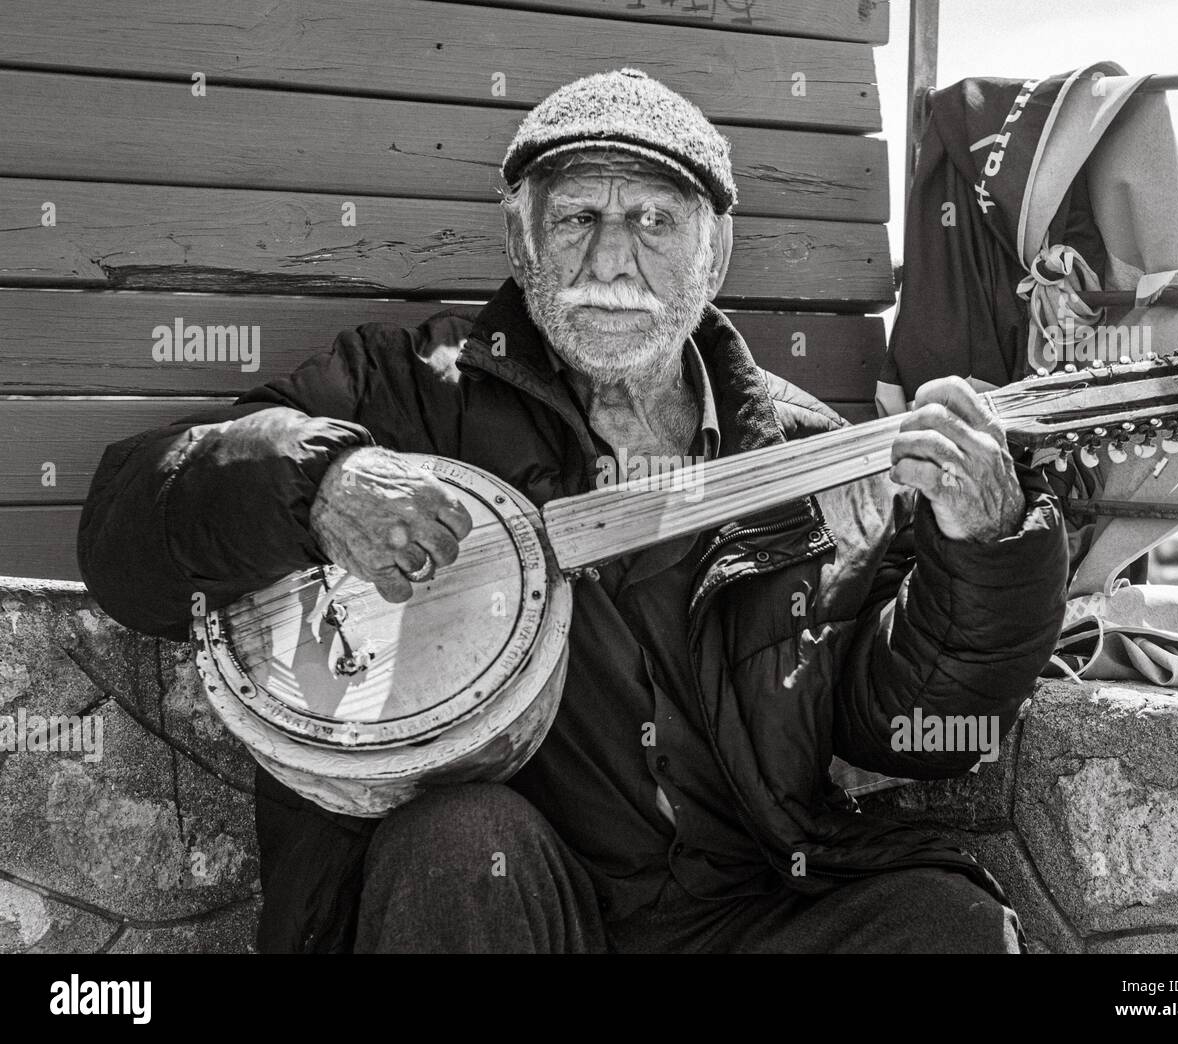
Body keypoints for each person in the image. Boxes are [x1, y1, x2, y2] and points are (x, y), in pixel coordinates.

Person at [78, 68, 1069, 953]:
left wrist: (983, 546)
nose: (610, 260)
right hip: (516, 907)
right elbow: (128, 529)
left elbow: (905, 729)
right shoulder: (413, 390)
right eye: (575, 219)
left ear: (712, 253)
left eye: (653, 221)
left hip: (748, 905)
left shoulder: (804, 450)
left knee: (947, 927)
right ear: (522, 239)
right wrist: (319, 482)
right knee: (462, 842)